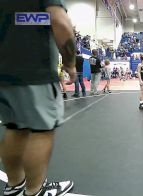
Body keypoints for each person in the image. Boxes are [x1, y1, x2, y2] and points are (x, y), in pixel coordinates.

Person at [0, 1, 76, 196]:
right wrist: (70, 64)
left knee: (15, 127)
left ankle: (14, 186)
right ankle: (36, 190)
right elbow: (60, 22)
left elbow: (23, 20)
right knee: (42, 130)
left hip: (4, 71)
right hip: (34, 69)